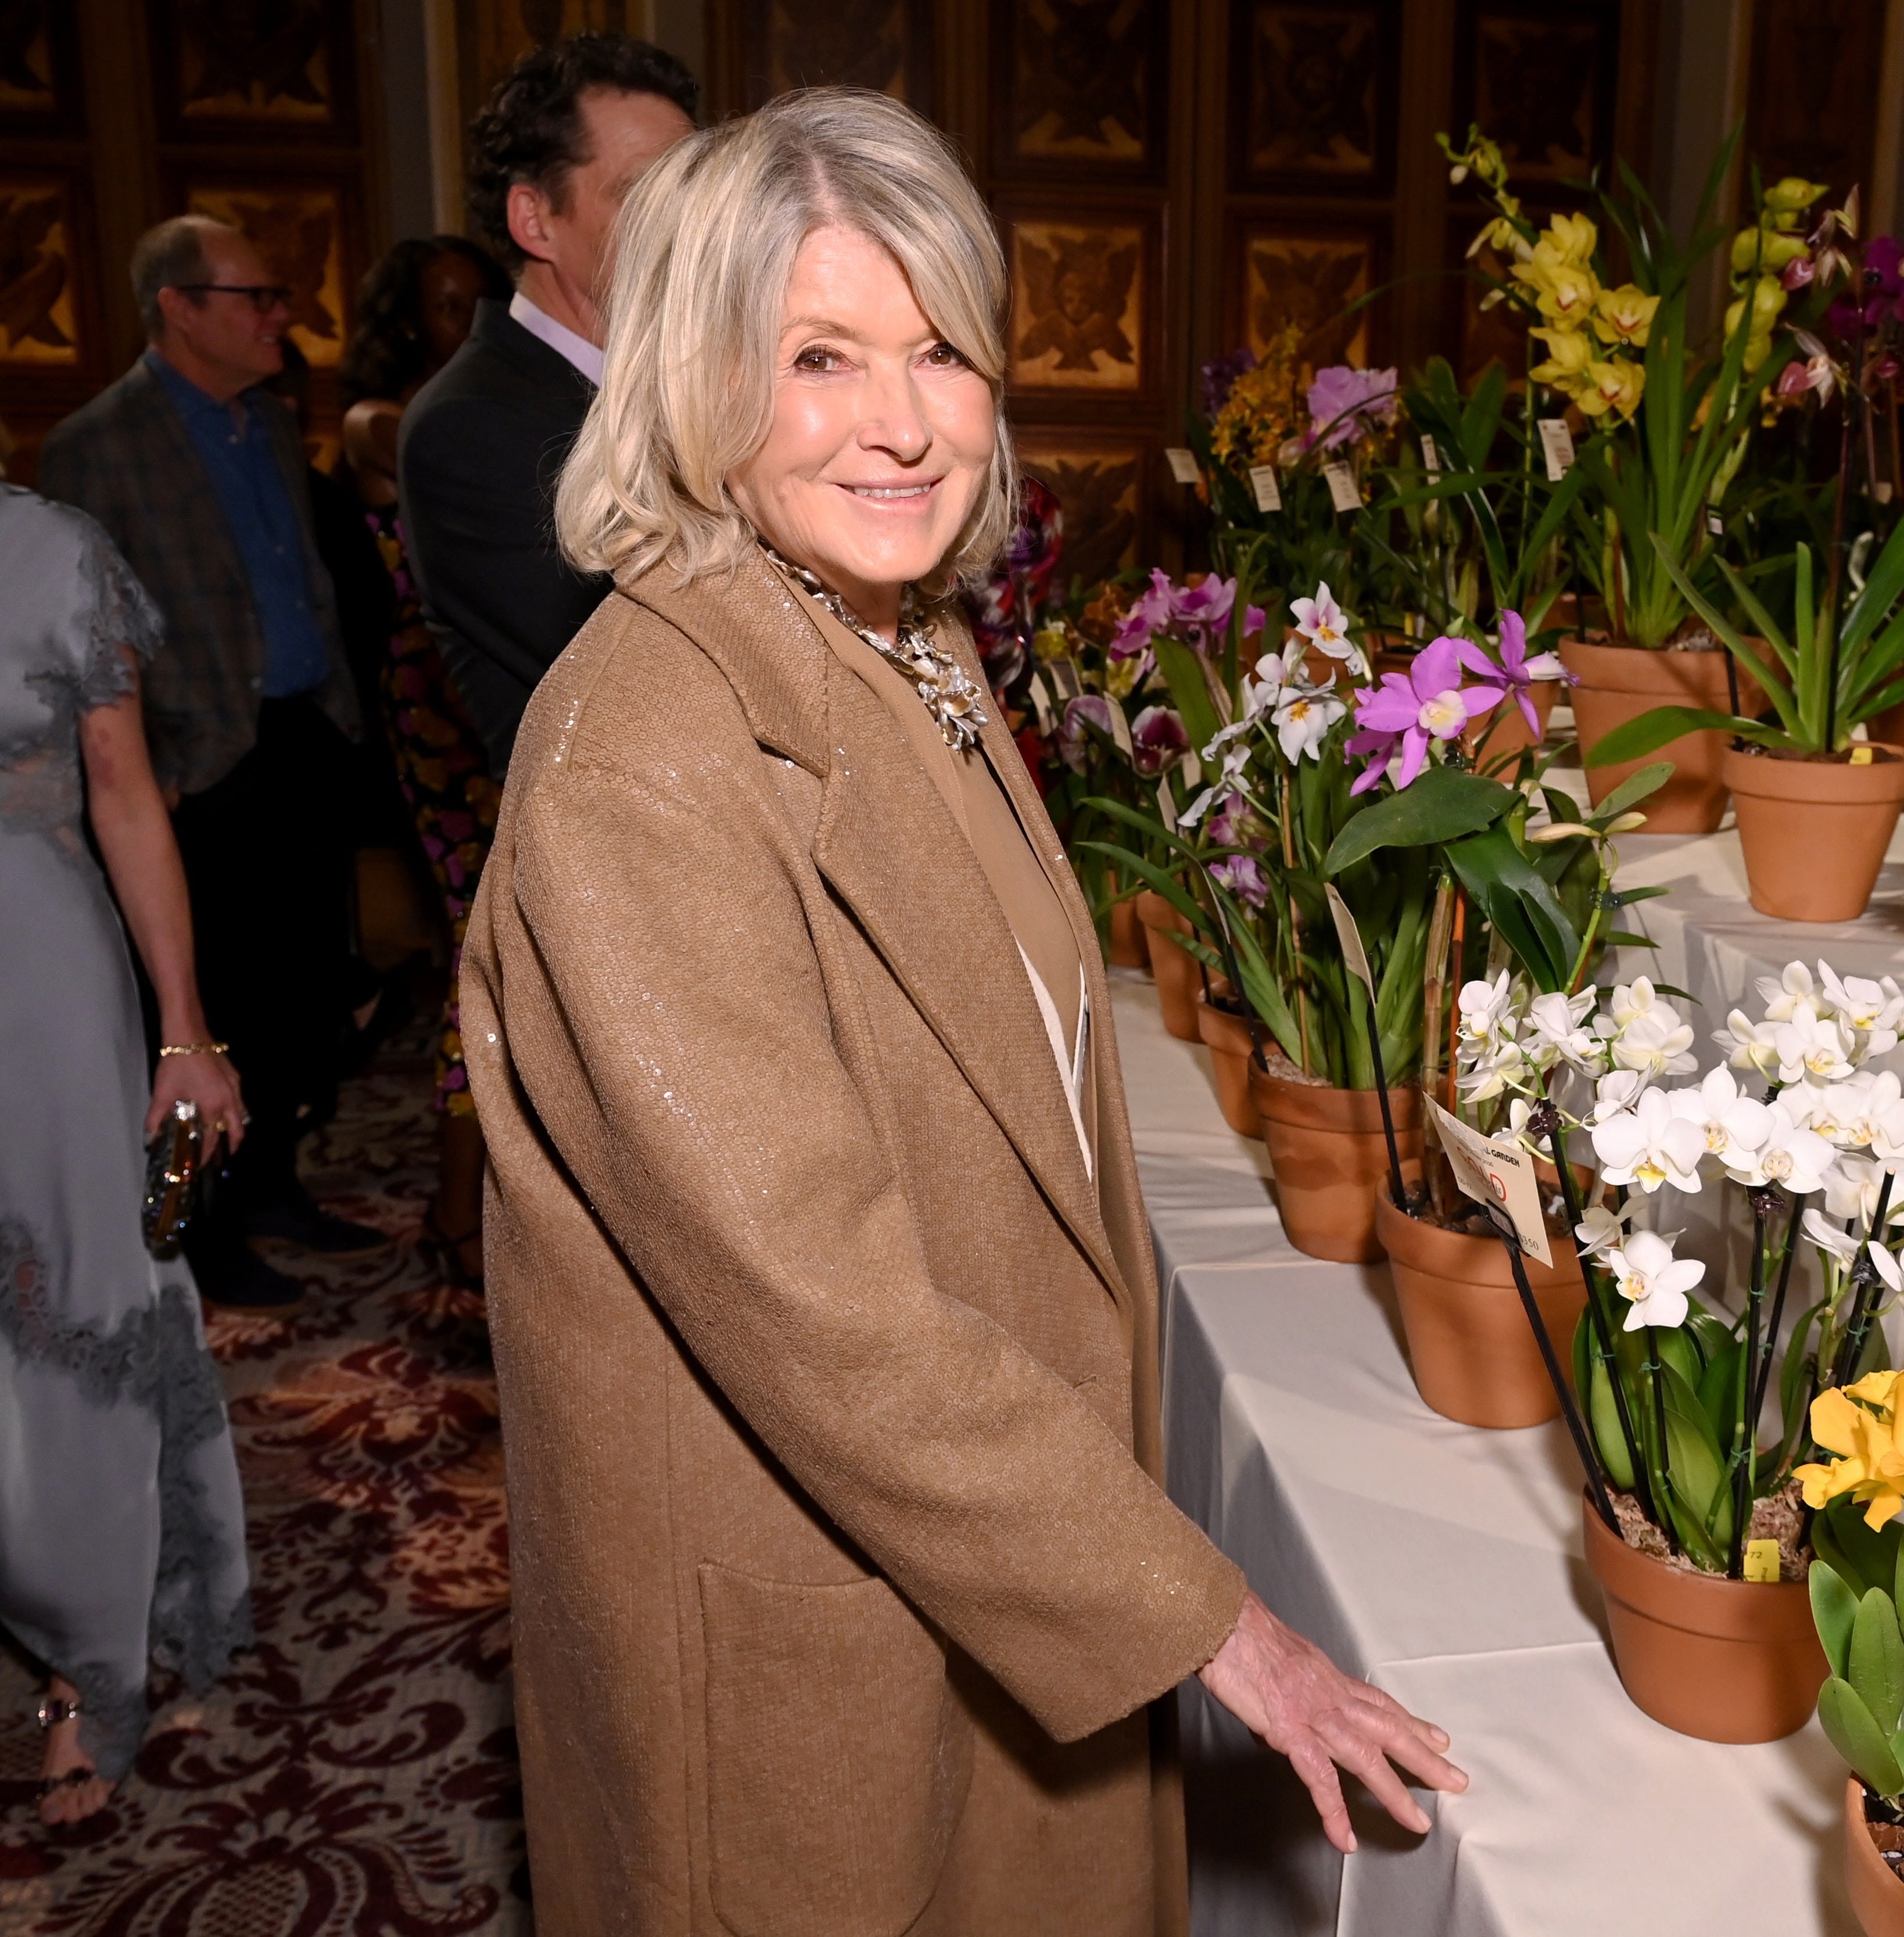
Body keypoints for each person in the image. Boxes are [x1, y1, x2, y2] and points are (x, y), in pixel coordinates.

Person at [462, 90, 1464, 1937]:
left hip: (965, 1581)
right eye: (821, 356)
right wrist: (1215, 1623)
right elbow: (816, 1308)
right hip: (819, 1634)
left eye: (941, 350)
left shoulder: (898, 631)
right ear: (691, 374)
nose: (905, 421)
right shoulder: (648, 756)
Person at [0, 217, 253, 1825]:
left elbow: (129, 803)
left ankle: (88, 1650)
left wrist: (183, 1028)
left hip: (31, 995)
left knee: (58, 1321)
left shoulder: (45, 549)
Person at [40, 215, 382, 1312]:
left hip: (298, 736)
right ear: (180, 308)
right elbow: (85, 632)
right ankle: (199, 1229)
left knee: (304, 990)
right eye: (258, 298)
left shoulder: (271, 423)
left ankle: (273, 1184)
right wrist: (151, 761)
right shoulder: (100, 442)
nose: (284, 317)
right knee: (201, 1008)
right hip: (194, 760)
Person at [399, 35, 695, 773]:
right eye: (642, 191)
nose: (689, 221)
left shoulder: (688, 385)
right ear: (535, 221)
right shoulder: (470, 425)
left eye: (695, 187)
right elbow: (657, 679)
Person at [340, 237, 511, 1282]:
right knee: (477, 953)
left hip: (490, 682)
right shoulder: (383, 423)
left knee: (506, 948)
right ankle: (456, 1212)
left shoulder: (494, 408)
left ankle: (484, 1205)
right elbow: (443, 451)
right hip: (435, 703)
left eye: (476, 304)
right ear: (409, 321)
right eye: (444, 307)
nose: (462, 323)